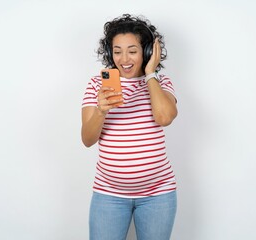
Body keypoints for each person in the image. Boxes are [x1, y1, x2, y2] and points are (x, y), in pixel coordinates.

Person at [81, 13, 178, 240]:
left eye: (133, 51)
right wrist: (101, 111)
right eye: (117, 51)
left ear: (146, 52)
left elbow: (164, 117)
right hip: (109, 194)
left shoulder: (161, 83)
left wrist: (150, 74)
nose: (124, 58)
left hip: (158, 194)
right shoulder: (97, 84)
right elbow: (87, 139)